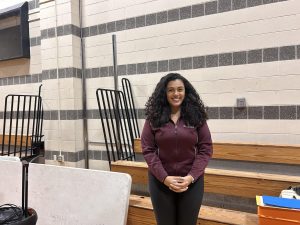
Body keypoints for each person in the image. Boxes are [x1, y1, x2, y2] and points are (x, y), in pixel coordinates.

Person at [141, 72, 213, 225]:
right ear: (164, 93)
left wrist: (191, 177)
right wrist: (165, 178)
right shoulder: (153, 117)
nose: (176, 94)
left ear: (185, 92)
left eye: (180, 89)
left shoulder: (196, 116)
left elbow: (205, 148)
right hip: (160, 182)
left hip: (191, 182)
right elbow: (148, 149)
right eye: (171, 90)